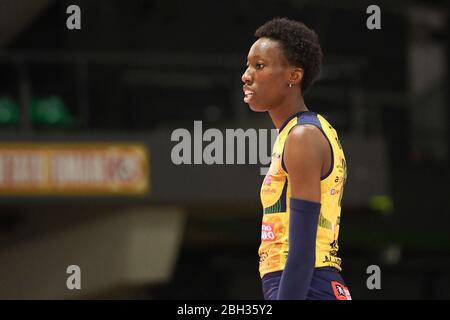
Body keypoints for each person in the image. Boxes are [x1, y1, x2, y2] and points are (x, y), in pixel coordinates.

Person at [241, 17, 351, 300]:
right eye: (248, 64)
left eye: (259, 65)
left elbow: (301, 252)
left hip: (307, 284)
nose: (246, 75)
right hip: (306, 283)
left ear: (294, 75)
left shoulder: (303, 136)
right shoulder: (298, 132)